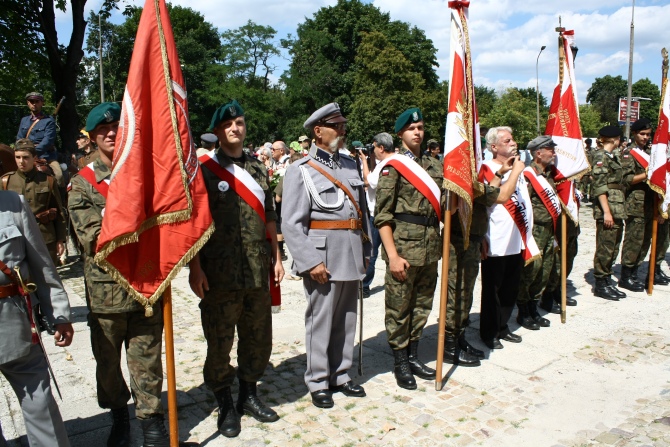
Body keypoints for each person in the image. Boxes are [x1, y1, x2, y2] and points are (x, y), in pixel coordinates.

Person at [68, 102, 170, 447]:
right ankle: (118, 415)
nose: (111, 134)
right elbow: (94, 239)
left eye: (116, 128)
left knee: (148, 363)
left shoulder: (146, 179)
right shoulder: (82, 186)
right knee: (108, 368)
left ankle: (152, 423)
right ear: (93, 138)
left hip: (145, 287)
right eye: (103, 130)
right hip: (106, 294)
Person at [281, 102, 371, 408]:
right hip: (322, 256)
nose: (343, 131)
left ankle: (341, 374)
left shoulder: (350, 165)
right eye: (336, 126)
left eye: (343, 126)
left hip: (350, 251)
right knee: (320, 320)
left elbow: (362, 215)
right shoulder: (300, 170)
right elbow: (291, 223)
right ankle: (318, 380)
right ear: (318, 131)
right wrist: (309, 262)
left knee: (347, 317)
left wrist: (367, 250)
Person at [375, 107, 442, 390]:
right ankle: (400, 360)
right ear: (401, 133)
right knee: (399, 307)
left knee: (422, 305)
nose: (418, 132)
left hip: (430, 247)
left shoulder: (435, 165)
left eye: (421, 128)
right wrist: (392, 256)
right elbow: (382, 216)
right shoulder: (393, 167)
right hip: (403, 248)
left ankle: (413, 355)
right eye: (412, 129)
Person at [0, 190, 74, 447]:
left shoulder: (13, 204)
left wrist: (60, 314)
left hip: (14, 325)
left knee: (40, 403)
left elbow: (42, 265)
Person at [445, 144, 526, 365]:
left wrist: (499, 173)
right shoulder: (462, 178)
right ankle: (450, 345)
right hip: (460, 243)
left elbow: (486, 194)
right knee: (457, 295)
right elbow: (500, 196)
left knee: (465, 294)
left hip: (472, 240)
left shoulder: (468, 178)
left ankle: (458, 339)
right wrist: (517, 171)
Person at [479, 127, 536, 349]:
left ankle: (503, 326)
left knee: (510, 287)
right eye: (507, 140)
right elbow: (497, 199)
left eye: (513, 139)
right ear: (494, 147)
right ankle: (489, 331)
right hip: (497, 238)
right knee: (493, 289)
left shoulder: (517, 168)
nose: (514, 143)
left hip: (517, 236)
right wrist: (514, 172)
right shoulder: (487, 168)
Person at [516, 136, 562, 330]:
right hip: (535, 230)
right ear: (538, 153)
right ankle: (523, 311)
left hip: (550, 229)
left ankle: (534, 306)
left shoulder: (550, 174)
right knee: (531, 271)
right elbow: (523, 204)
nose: (553, 152)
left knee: (545, 270)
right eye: (550, 149)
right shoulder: (528, 175)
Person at [1, 139, 66, 266]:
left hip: (45, 237)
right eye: (17, 157)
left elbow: (58, 211)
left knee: (48, 279)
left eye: (25, 157)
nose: (21, 161)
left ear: (34, 158)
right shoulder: (6, 181)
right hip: (16, 238)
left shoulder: (47, 180)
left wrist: (60, 239)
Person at [591, 125, 634, 300]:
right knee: (605, 246)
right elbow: (600, 186)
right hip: (608, 206)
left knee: (613, 245)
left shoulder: (611, 156)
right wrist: (606, 212)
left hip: (617, 204)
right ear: (615, 139)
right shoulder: (601, 156)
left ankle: (607, 279)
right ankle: (601, 282)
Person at [619, 119, 657, 290]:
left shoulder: (650, 153)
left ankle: (635, 272)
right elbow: (626, 180)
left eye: (648, 134)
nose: (645, 138)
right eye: (642, 134)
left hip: (650, 203)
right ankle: (626, 275)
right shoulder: (629, 154)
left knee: (645, 241)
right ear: (634, 134)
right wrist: (648, 174)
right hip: (636, 205)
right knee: (633, 240)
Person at [360, 133, 393, 298]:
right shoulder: (389, 163)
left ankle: (365, 286)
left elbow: (368, 181)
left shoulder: (384, 165)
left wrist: (365, 161)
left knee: (372, 253)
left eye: (373, 147)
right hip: (380, 214)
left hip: (377, 216)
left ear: (380, 147)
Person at [16, 92, 63, 186]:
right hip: (25, 157)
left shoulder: (49, 121)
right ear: (27, 103)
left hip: (46, 157)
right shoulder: (24, 120)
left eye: (37, 101)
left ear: (42, 103)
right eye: (31, 101)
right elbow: (19, 139)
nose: (34, 103)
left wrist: (33, 153)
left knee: (59, 175)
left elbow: (48, 141)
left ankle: (60, 200)